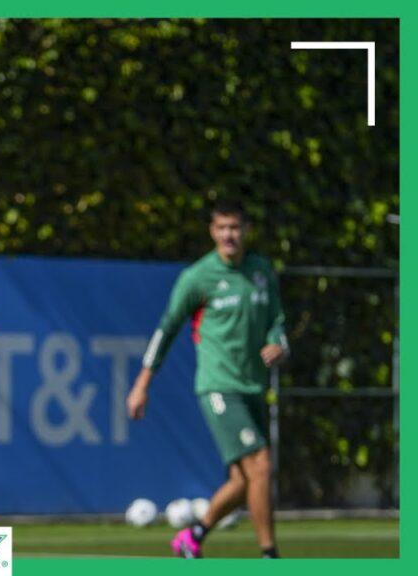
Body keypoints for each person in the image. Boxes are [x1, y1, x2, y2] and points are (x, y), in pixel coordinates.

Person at [126, 198, 289, 559]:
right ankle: (269, 556)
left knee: (243, 481)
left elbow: (277, 321)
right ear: (212, 232)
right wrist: (142, 384)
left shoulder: (261, 271)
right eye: (222, 228)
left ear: (247, 230)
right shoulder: (198, 277)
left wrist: (279, 343)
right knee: (261, 465)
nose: (229, 235)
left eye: (235, 227)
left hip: (254, 386)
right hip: (219, 386)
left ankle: (192, 536)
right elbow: (166, 329)